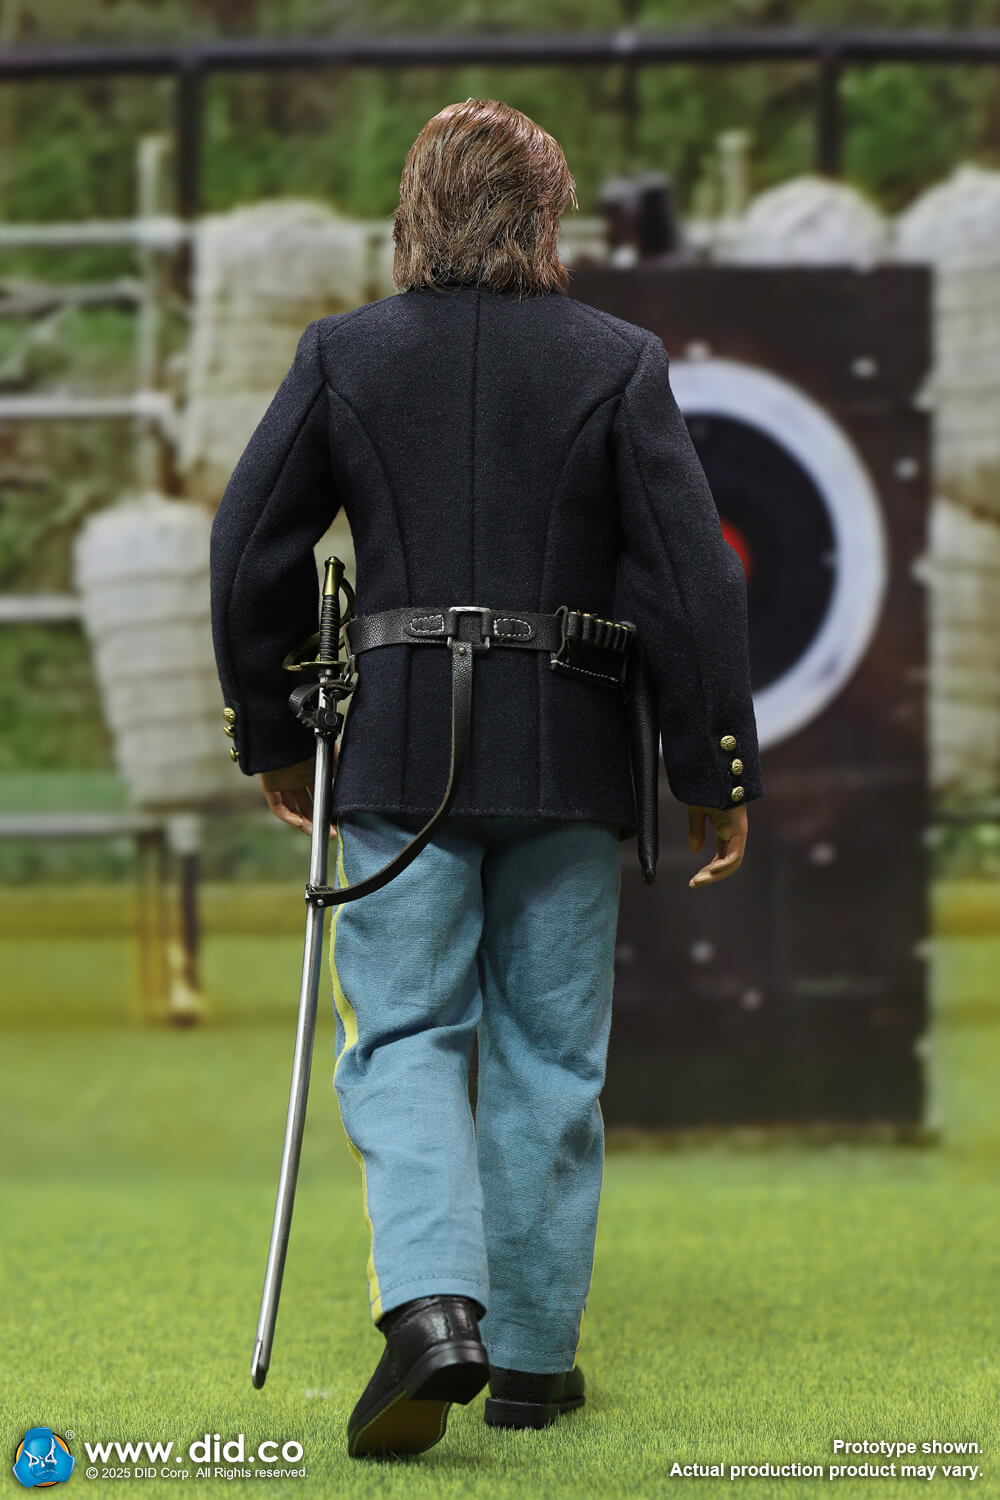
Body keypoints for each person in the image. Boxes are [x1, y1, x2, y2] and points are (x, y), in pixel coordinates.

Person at [210, 98, 763, 1462]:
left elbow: (247, 546)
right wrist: (712, 765)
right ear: (547, 212)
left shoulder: (342, 354)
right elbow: (692, 579)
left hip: (397, 755)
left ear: (414, 211)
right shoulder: (619, 359)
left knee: (405, 1036)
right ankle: (529, 1358)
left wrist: (274, 730)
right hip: (570, 753)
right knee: (551, 1057)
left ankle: (430, 1308)